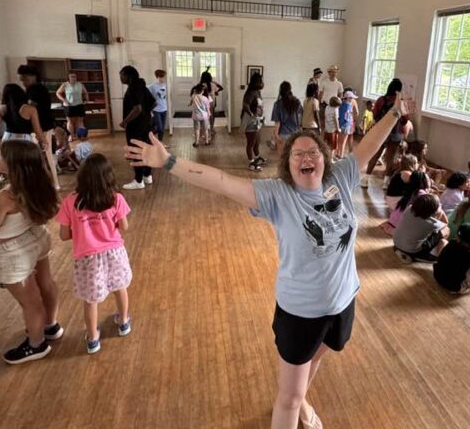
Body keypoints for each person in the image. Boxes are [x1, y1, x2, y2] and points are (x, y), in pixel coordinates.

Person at [125, 90, 411, 429]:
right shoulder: (277, 195)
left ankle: (304, 398)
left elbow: (368, 146)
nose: (306, 157)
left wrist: (394, 113)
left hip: (343, 300)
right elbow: (220, 181)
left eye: (313, 151)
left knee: (317, 357)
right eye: (298, 154)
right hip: (302, 311)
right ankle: (298, 401)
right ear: (288, 166)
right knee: (287, 398)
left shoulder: (341, 177)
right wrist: (170, 162)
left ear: (325, 158)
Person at [0, 140, 63, 364]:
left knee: (30, 301)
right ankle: (50, 325)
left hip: (13, 251)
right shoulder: (41, 184)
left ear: (13, 165)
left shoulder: (4, 199)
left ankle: (36, 344)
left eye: (0, 155)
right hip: (37, 237)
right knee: (46, 283)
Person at [57, 153, 132, 354]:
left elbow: (64, 235)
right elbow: (124, 226)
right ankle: (124, 322)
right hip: (114, 252)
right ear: (109, 177)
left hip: (87, 258)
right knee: (120, 287)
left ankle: (92, 338)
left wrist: (83, 230)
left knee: (91, 300)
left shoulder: (70, 202)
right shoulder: (116, 198)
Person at [17, 64, 60, 191]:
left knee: (42, 155)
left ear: (33, 77)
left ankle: (48, 183)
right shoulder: (36, 88)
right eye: (22, 80)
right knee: (46, 155)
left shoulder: (35, 90)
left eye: (26, 79)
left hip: (41, 126)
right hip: (43, 125)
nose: (24, 83)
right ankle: (54, 182)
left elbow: (31, 109)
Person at [361, 79, 409, 189]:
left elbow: (374, 114)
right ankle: (386, 182)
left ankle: (366, 179)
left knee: (375, 154)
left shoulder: (381, 100)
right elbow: (405, 120)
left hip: (381, 131)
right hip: (395, 133)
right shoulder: (401, 102)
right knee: (390, 158)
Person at [119, 66, 155, 190]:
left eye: (122, 75)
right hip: (146, 125)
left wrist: (125, 122)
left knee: (136, 152)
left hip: (135, 127)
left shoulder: (132, 89)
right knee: (147, 149)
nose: (120, 78)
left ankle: (138, 181)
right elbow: (153, 103)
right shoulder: (142, 87)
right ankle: (147, 175)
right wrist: (146, 114)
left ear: (128, 76)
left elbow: (137, 108)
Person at [393, 193, 449, 263]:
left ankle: (402, 250)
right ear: (433, 210)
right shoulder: (432, 223)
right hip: (413, 250)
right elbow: (446, 223)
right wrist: (441, 212)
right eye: (439, 204)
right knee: (446, 230)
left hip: (396, 242)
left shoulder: (410, 208)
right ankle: (422, 255)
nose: (440, 205)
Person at [0, 83, 46, 148]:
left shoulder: (1, 109)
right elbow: (37, 130)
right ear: (21, 93)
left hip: (7, 139)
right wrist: (44, 141)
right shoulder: (30, 109)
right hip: (25, 140)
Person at [241, 72, 265, 172]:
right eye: (261, 81)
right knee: (251, 142)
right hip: (251, 122)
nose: (263, 83)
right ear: (257, 82)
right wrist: (252, 115)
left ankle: (257, 157)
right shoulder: (251, 93)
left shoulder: (257, 92)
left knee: (257, 141)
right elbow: (245, 105)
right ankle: (251, 163)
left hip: (258, 121)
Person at [271, 81, 303, 154]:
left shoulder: (277, 104)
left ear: (281, 90)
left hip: (283, 134)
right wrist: (300, 128)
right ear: (290, 89)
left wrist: (276, 135)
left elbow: (277, 122)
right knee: (294, 157)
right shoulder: (297, 102)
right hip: (295, 133)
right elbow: (300, 116)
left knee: (283, 158)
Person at [56, 73, 89, 137]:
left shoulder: (80, 84)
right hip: (69, 106)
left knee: (80, 121)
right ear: (68, 77)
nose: (74, 78)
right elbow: (58, 93)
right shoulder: (65, 85)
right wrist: (64, 100)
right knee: (70, 122)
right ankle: (71, 135)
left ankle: (80, 135)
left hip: (79, 105)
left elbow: (85, 93)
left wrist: (86, 99)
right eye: (72, 76)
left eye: (75, 76)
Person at [200, 68, 224, 136]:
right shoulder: (212, 84)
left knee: (203, 115)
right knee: (212, 115)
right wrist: (214, 83)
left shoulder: (201, 85)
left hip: (202, 102)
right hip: (211, 102)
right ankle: (212, 128)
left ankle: (203, 129)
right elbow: (221, 88)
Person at [147, 70, 168, 141]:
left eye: (165, 77)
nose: (164, 79)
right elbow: (145, 94)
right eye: (163, 77)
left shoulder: (165, 85)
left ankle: (160, 144)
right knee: (159, 128)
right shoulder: (152, 86)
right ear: (158, 77)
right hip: (156, 110)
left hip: (164, 109)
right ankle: (147, 137)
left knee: (162, 129)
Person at [337, 89, 358, 158]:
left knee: (339, 140)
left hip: (340, 124)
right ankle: (341, 155)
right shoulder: (348, 105)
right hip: (346, 125)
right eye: (351, 98)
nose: (352, 99)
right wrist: (352, 121)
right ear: (348, 98)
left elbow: (339, 115)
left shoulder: (341, 104)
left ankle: (338, 153)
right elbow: (347, 117)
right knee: (344, 141)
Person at [190, 83, 212, 147]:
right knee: (206, 129)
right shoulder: (205, 98)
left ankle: (196, 143)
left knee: (197, 129)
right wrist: (209, 114)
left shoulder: (193, 97)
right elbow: (208, 108)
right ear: (202, 91)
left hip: (196, 116)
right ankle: (207, 141)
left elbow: (191, 103)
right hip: (204, 116)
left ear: (196, 90)